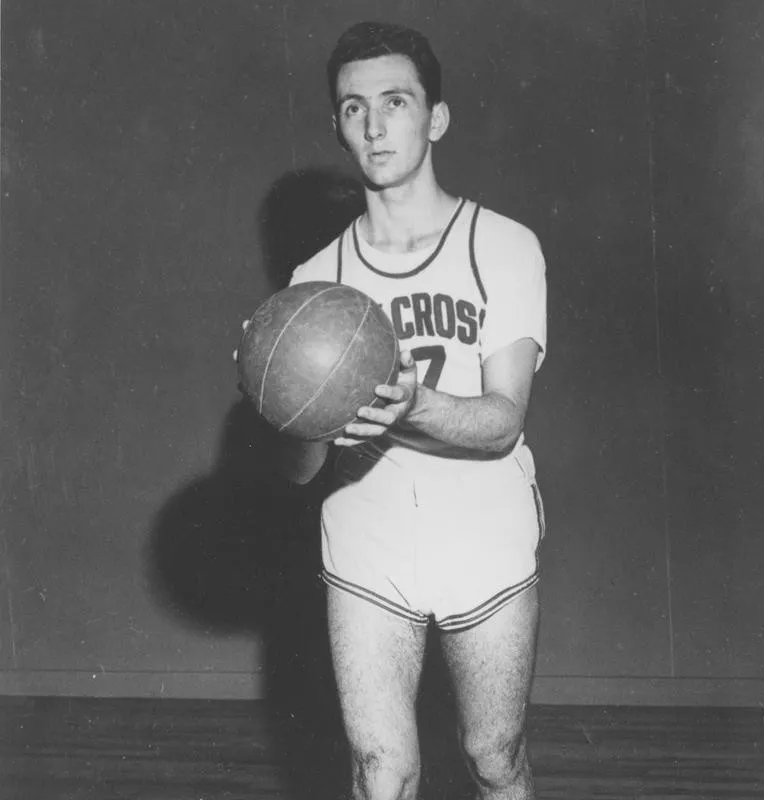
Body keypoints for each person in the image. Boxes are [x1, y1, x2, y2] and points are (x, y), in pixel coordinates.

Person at [252, 21, 547, 800]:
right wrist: (276, 400)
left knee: (494, 755)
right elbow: (299, 469)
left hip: (482, 529)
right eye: (353, 109)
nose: (375, 125)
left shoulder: (503, 245)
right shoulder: (315, 278)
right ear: (339, 128)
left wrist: (410, 405)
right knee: (381, 772)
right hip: (369, 533)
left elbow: (503, 419)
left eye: (395, 101)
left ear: (435, 118)